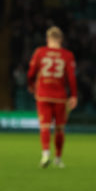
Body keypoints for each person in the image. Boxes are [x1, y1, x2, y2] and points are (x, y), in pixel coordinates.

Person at [27, 26, 77, 168]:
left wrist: (31, 85)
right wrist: (73, 95)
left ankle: (45, 155)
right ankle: (58, 159)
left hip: (43, 94)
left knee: (45, 126)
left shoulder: (40, 52)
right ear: (60, 39)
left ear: (48, 39)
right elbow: (72, 78)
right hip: (60, 96)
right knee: (60, 129)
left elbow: (31, 72)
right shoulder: (67, 55)